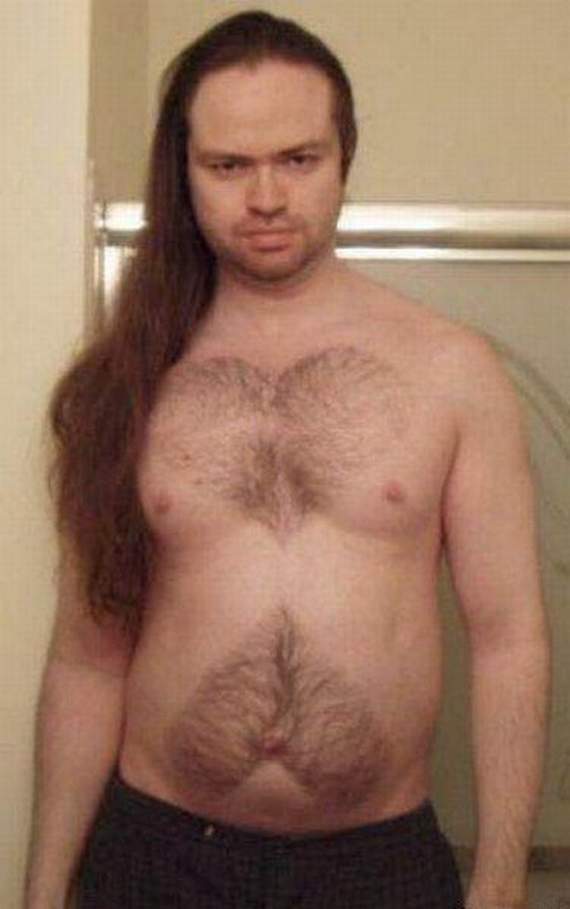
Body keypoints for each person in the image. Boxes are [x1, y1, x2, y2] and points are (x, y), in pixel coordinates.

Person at [25, 10, 551, 909]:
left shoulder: (452, 371)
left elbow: (509, 638)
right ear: (184, 172)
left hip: (376, 866)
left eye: (299, 159)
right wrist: (41, 889)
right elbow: (87, 658)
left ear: (345, 156)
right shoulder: (129, 378)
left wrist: (501, 881)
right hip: (157, 857)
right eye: (229, 165)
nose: (266, 197)